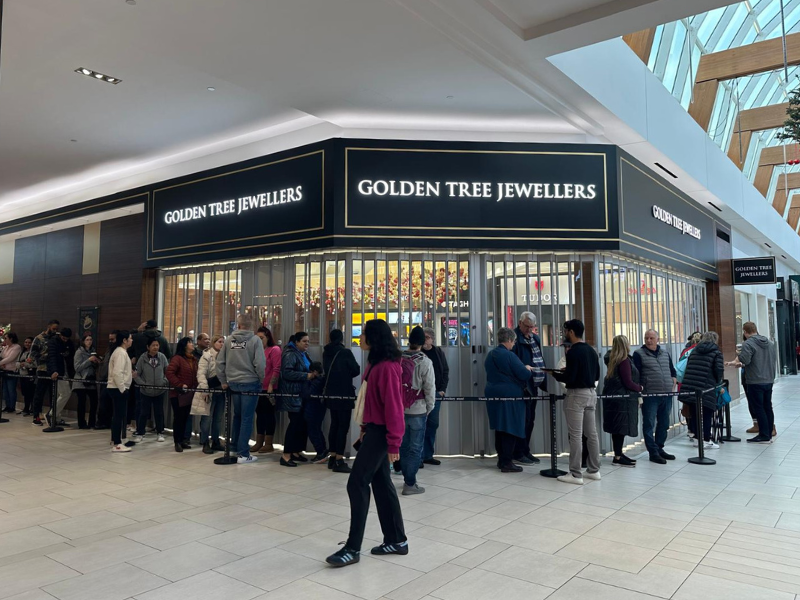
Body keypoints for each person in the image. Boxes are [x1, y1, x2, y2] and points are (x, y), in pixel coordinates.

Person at [325, 319, 407, 568]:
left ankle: (352, 548)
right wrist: (364, 428)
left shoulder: (386, 368)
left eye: (363, 335)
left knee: (357, 483)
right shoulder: (373, 364)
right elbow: (371, 402)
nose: (360, 338)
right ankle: (396, 540)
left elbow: (394, 409)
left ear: (374, 338)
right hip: (373, 431)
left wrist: (394, 443)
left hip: (382, 434)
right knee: (381, 483)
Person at [553, 319, 601, 485]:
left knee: (575, 435)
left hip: (576, 396)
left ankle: (575, 473)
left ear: (571, 332)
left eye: (566, 331)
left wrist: (556, 374)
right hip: (591, 394)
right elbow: (596, 376)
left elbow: (570, 378)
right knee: (591, 434)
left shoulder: (572, 352)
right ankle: (594, 470)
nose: (565, 334)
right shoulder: (591, 351)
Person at [484, 327, 537, 473]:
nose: (514, 344)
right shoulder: (509, 355)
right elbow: (523, 374)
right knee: (510, 427)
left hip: (492, 393)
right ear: (508, 340)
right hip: (510, 395)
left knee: (499, 427)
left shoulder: (490, 355)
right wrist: (527, 368)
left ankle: (501, 460)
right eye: (513, 341)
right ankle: (507, 462)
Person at [216, 313, 266, 464]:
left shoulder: (229, 341)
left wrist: (224, 380)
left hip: (233, 383)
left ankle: (234, 447)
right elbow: (260, 363)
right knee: (247, 418)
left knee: (237, 416)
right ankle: (243, 453)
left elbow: (219, 363)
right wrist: (260, 378)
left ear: (238, 325)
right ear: (251, 326)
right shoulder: (255, 340)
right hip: (250, 383)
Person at [397, 326, 435, 494]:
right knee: (415, 448)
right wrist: (429, 407)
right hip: (418, 409)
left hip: (399, 409)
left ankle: (407, 478)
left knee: (403, 446)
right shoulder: (425, 361)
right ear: (421, 343)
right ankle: (410, 483)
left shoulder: (397, 359)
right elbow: (430, 387)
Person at [633, 329, 678, 465]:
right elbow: (637, 375)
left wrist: (673, 380)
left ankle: (659, 448)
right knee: (649, 423)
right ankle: (653, 452)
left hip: (666, 394)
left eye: (651, 338)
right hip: (650, 395)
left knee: (664, 423)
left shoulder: (665, 353)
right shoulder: (638, 354)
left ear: (658, 339)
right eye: (646, 338)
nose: (648, 340)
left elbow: (672, 370)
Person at [728, 322, 777, 444]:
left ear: (745, 332)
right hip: (769, 379)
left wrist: (739, 360)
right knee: (767, 406)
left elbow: (745, 359)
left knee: (758, 407)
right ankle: (769, 432)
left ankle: (764, 435)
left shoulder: (748, 343)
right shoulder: (769, 343)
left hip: (755, 380)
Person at [323, 328, 361, 473]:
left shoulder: (326, 352)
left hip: (331, 393)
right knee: (343, 427)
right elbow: (356, 370)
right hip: (344, 392)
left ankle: (332, 456)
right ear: (341, 338)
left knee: (334, 424)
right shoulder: (345, 352)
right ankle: (339, 459)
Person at [511, 311, 547, 466]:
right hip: (522, 387)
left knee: (530, 420)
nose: (530, 330)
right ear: (520, 323)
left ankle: (526, 450)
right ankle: (518, 452)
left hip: (534, 386)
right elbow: (514, 363)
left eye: (532, 327)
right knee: (522, 421)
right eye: (527, 326)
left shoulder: (535, 338)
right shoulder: (514, 339)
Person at [278, 332, 317, 467]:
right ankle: (286, 455)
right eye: (304, 341)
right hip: (293, 394)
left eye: (308, 341)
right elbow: (287, 372)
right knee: (294, 424)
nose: (307, 344)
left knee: (301, 424)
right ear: (297, 342)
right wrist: (306, 376)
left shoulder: (303, 354)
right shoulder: (290, 354)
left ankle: (296, 451)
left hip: (302, 394)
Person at [602, 335, 641, 467]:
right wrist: (640, 388)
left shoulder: (612, 359)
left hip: (614, 399)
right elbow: (628, 382)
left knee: (617, 428)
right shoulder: (624, 361)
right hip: (623, 399)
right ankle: (618, 457)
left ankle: (618, 454)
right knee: (620, 428)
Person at [682, 331, 724, 449]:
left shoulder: (694, 351)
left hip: (691, 386)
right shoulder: (716, 353)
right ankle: (705, 439)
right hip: (706, 387)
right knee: (706, 413)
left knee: (695, 413)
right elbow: (719, 370)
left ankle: (697, 438)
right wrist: (718, 383)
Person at [421, 327, 449, 466]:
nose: (425, 340)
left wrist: (442, 389)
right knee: (418, 425)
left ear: (432, 339)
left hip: (436, 394)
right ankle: (417, 456)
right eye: (423, 337)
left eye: (427, 337)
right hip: (419, 396)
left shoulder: (438, 352)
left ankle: (428, 455)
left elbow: (445, 370)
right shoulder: (417, 353)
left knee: (432, 424)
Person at [166, 337, 199, 453]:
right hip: (178, 394)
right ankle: (177, 442)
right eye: (190, 342)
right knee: (179, 418)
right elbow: (169, 373)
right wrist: (179, 384)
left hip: (190, 394)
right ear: (184, 345)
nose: (192, 344)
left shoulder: (194, 359)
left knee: (185, 418)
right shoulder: (177, 358)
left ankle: (183, 440)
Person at [132, 338, 168, 443]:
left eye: (157, 345)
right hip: (145, 391)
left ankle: (160, 432)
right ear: (148, 347)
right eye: (153, 345)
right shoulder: (142, 358)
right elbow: (136, 374)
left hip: (160, 391)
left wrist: (164, 382)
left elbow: (168, 371)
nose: (155, 347)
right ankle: (140, 433)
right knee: (143, 413)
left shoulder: (162, 357)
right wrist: (143, 384)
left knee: (159, 413)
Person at [252, 327, 280, 453]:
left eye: (261, 338)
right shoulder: (257, 351)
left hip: (269, 388)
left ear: (268, 337)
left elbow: (276, 368)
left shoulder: (274, 349)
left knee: (269, 415)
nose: (259, 340)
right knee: (260, 415)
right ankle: (259, 441)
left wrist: (270, 385)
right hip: (257, 387)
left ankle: (268, 443)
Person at [196, 334, 225, 454]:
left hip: (221, 390)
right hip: (209, 389)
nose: (222, 344)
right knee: (207, 418)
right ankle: (205, 442)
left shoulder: (225, 356)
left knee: (218, 418)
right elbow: (201, 373)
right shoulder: (207, 356)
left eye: (223, 342)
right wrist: (204, 389)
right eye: (219, 342)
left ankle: (216, 441)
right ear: (214, 343)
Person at [30, 319, 60, 426]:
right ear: (48, 327)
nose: (55, 331)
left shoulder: (56, 338)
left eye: (57, 329)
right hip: (42, 369)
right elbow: (33, 353)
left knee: (53, 395)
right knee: (39, 394)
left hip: (53, 371)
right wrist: (45, 357)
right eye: (53, 329)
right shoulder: (39, 338)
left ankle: (52, 416)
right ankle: (36, 416)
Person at [108, 330, 134, 452]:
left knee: (119, 415)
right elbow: (117, 372)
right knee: (118, 416)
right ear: (124, 340)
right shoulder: (120, 353)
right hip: (118, 388)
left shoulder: (121, 352)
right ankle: (117, 443)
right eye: (130, 338)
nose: (132, 340)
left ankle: (116, 440)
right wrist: (123, 388)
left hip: (118, 387)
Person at [46, 327, 74, 428]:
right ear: (60, 335)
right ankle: (51, 414)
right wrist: (54, 371)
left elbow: (70, 356)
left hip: (65, 371)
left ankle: (56, 417)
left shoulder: (69, 343)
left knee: (60, 395)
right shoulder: (53, 342)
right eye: (63, 338)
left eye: (67, 339)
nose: (65, 340)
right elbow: (52, 357)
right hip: (58, 371)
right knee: (65, 393)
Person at [73, 333, 100, 429]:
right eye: (87, 340)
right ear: (83, 341)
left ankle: (92, 422)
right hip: (81, 380)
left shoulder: (93, 351)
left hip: (91, 379)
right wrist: (89, 360)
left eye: (91, 340)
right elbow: (77, 367)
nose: (89, 342)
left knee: (94, 401)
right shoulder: (79, 352)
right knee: (82, 402)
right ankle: (81, 423)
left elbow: (95, 367)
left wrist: (96, 362)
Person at [304, 361, 329, 462]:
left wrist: (306, 381)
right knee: (318, 429)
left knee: (313, 431)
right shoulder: (323, 379)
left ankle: (320, 452)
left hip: (312, 408)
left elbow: (308, 393)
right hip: (320, 408)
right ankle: (323, 450)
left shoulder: (315, 381)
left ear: (314, 371)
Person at [94, 332, 116, 430]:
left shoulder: (117, 351)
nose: (110, 341)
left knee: (109, 403)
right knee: (103, 402)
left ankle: (107, 422)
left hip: (111, 380)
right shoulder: (109, 349)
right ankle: (102, 422)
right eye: (109, 339)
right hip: (104, 379)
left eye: (112, 339)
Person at [0, 333, 22, 413]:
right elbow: (2, 356)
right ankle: (7, 405)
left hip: (12, 371)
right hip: (4, 370)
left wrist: (1, 363)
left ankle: (12, 406)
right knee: (5, 390)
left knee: (11, 390)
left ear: (11, 339)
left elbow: (10, 358)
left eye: (6, 338)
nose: (4, 340)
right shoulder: (6, 347)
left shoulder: (16, 347)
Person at [17, 337, 35, 416]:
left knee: (30, 392)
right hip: (22, 374)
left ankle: (30, 408)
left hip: (29, 375)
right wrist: (20, 364)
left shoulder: (34, 353)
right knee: (24, 392)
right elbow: (17, 362)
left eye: (29, 342)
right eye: (26, 342)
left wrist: (25, 364)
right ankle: (26, 407)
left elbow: (35, 364)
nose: (27, 344)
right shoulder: (22, 352)